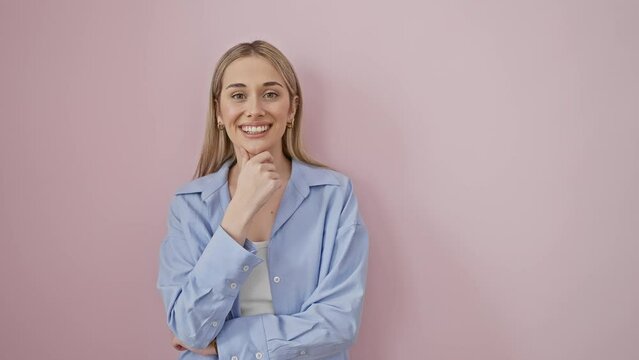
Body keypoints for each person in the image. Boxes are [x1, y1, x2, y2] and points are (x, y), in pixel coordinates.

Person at [156, 40, 369, 360]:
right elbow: (188, 329)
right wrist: (238, 212)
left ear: (292, 108)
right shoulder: (189, 206)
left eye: (270, 94)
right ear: (218, 110)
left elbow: (338, 323)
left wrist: (225, 346)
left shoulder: (334, 196)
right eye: (238, 95)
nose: (254, 109)